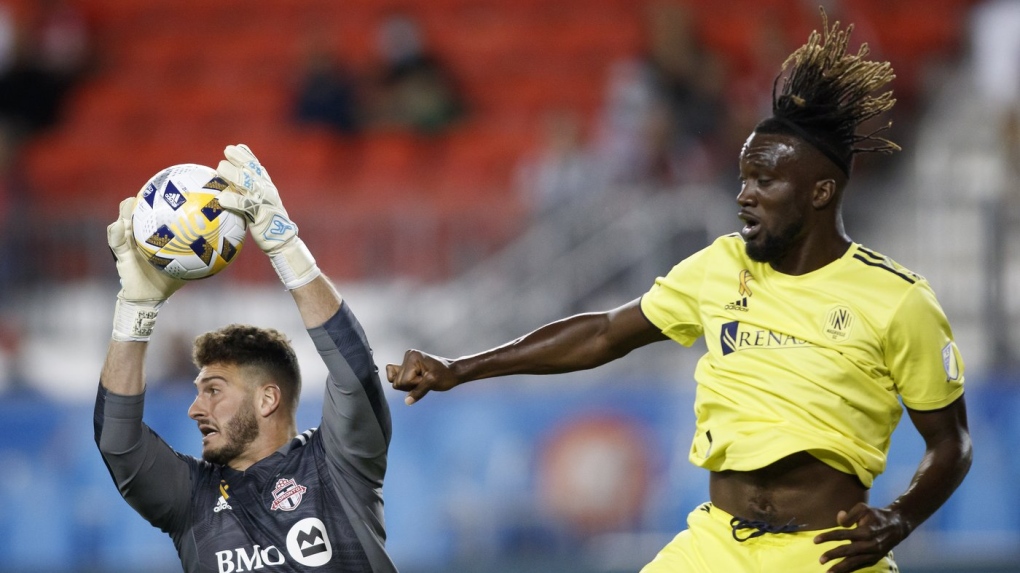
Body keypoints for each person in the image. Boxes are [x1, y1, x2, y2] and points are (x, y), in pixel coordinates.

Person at [387, 11, 971, 573]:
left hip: (826, 553)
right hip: (714, 544)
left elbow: (952, 445)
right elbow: (603, 333)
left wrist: (898, 518)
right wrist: (460, 368)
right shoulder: (720, 265)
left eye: (764, 181)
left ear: (819, 193)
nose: (744, 196)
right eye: (743, 179)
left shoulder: (898, 301)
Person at [95, 144, 397, 572]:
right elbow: (118, 444)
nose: (195, 408)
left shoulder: (338, 464)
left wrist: (285, 247)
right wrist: (135, 310)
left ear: (267, 399)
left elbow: (355, 374)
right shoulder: (191, 500)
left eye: (213, 390)